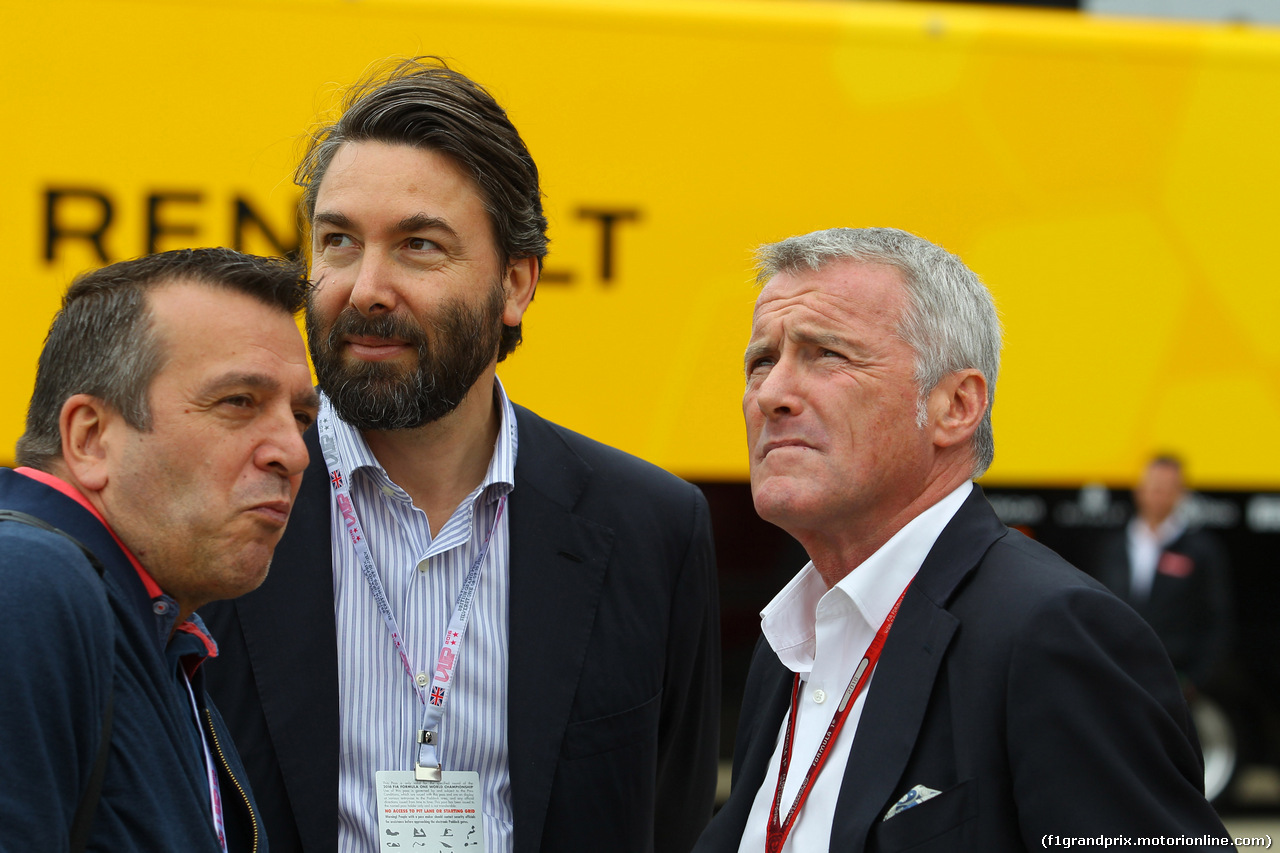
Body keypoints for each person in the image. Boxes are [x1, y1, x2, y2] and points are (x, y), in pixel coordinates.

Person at [201, 57, 720, 853]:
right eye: (337, 241)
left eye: (418, 245)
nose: (364, 287)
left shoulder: (651, 529)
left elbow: (671, 818)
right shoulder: (214, 503)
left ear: (515, 283)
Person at [693, 228, 1229, 852]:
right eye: (762, 361)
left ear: (955, 405)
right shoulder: (789, 640)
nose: (773, 395)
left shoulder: (1054, 633)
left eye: (826, 355)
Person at [0, 247, 319, 851]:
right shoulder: (27, 582)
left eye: (301, 415)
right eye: (239, 402)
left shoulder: (162, 628)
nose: (294, 452)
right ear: (91, 438)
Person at [1092, 455, 1233, 696]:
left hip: (1174, 679)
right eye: (1154, 486)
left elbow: (1217, 619)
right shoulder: (1114, 545)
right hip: (1118, 675)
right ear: (1139, 489)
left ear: (1181, 493)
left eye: (1167, 488)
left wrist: (1196, 679)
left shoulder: (1200, 549)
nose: (1159, 494)